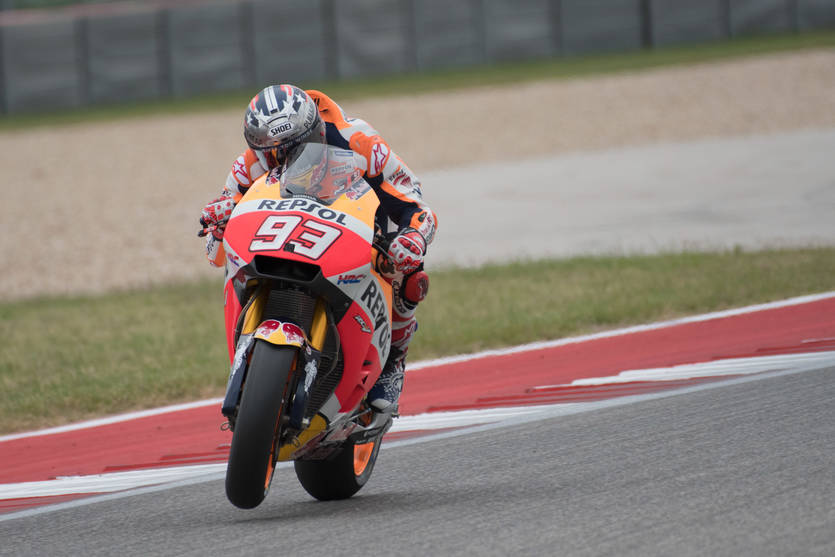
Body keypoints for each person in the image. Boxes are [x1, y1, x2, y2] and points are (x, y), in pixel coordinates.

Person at [199, 84, 437, 413]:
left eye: (295, 149)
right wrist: (218, 221)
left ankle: (394, 361)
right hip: (285, 234)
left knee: (408, 270)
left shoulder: (360, 142)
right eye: (272, 154)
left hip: (360, 225)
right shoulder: (251, 162)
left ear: (316, 131)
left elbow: (416, 206)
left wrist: (413, 237)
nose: (284, 160)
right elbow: (216, 250)